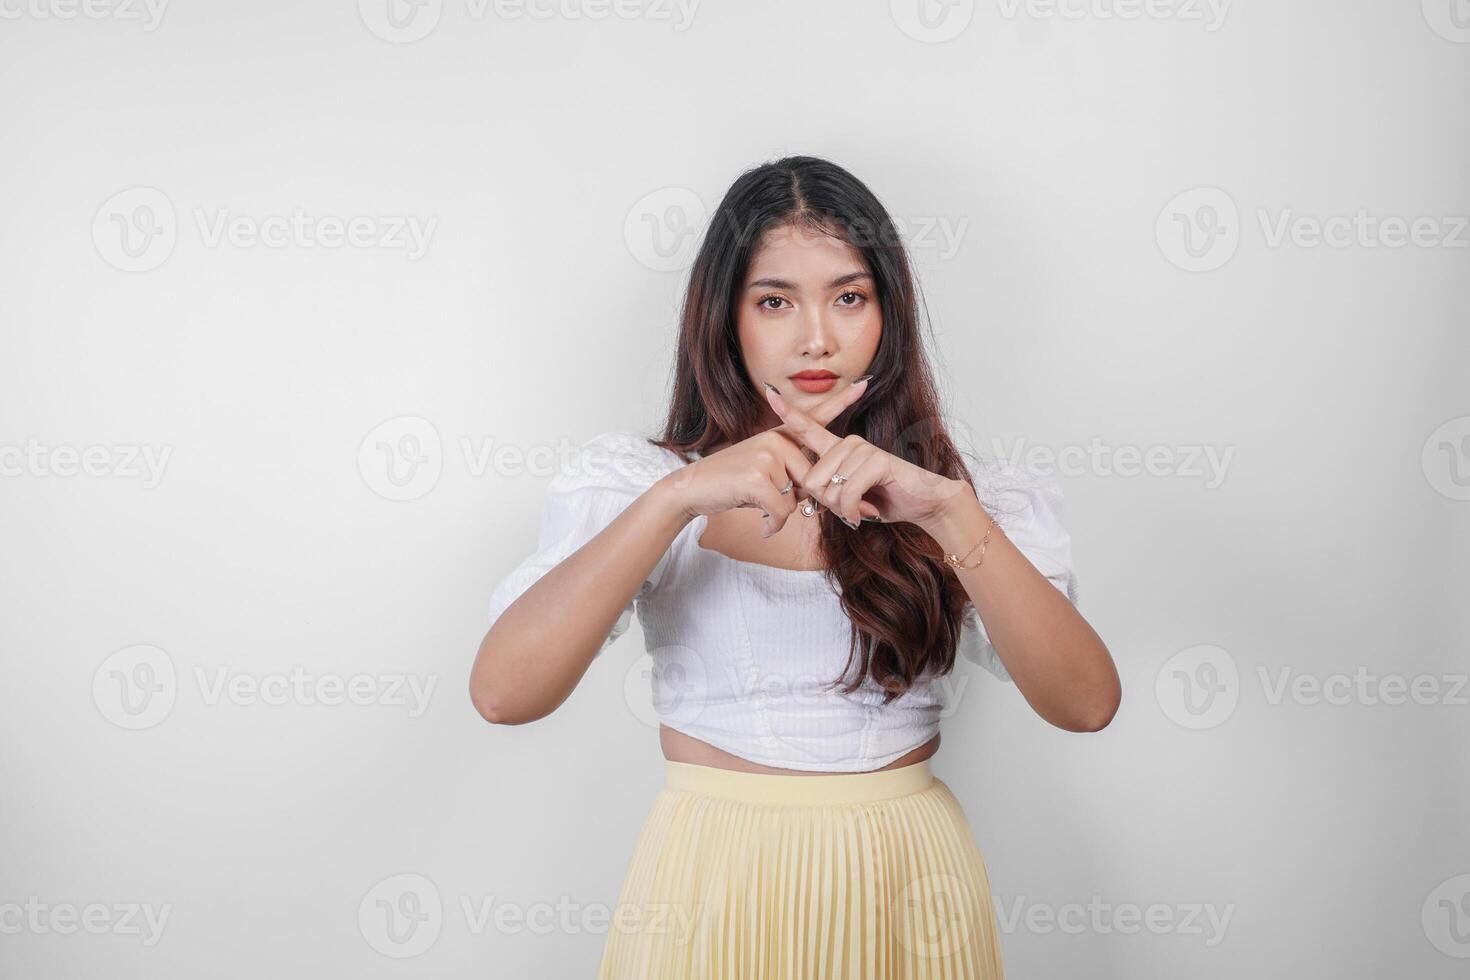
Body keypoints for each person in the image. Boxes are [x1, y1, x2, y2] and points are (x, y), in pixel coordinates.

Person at [469, 155, 1120, 978]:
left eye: (849, 297)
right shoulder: (641, 485)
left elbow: (1087, 704)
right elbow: (504, 693)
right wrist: (677, 499)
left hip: (909, 884)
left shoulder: (958, 496)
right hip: (712, 881)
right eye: (775, 301)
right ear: (724, 318)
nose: (817, 338)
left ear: (890, 313)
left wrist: (954, 512)